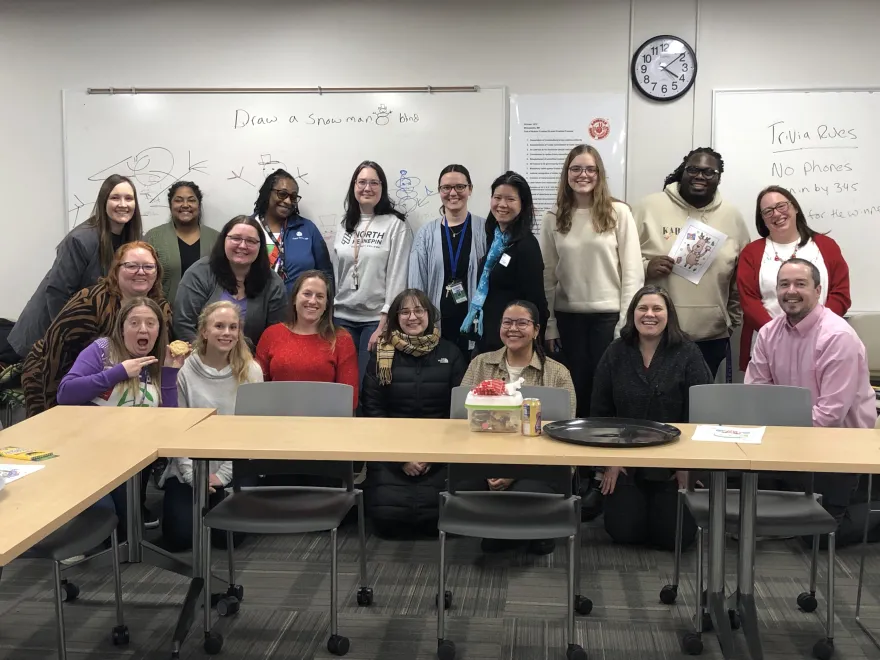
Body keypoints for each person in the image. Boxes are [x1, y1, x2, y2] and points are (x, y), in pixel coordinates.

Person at [745, 258, 876, 531]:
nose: (791, 291)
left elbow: (829, 416)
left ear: (818, 291)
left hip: (839, 448)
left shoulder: (838, 337)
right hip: (787, 443)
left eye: (800, 284)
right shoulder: (768, 334)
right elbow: (756, 396)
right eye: (784, 284)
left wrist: (781, 435)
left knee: (819, 533)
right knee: (754, 519)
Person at [56, 296, 186, 538]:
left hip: (132, 459)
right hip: (89, 456)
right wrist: (117, 373)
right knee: (103, 525)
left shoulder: (159, 360)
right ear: (122, 327)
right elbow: (65, 393)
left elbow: (168, 423)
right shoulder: (102, 350)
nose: (143, 329)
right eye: (134, 323)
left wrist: (169, 373)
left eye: (150, 323)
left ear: (159, 329)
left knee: (126, 534)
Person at [591, 285, 710, 551]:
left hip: (673, 463)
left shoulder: (688, 353)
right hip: (626, 461)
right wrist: (609, 461)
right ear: (632, 313)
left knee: (675, 537)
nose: (650, 315)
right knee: (624, 532)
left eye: (658, 308)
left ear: (669, 315)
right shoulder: (616, 352)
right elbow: (600, 412)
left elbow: (701, 415)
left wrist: (687, 467)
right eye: (642, 308)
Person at [460, 300, 575, 555]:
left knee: (523, 496)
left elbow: (564, 434)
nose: (513, 328)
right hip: (485, 462)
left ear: (536, 330)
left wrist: (515, 471)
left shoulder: (557, 374)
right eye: (507, 322)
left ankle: (523, 531)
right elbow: (461, 420)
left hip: (538, 468)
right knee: (461, 485)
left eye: (522, 323)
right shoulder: (480, 364)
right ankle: (521, 530)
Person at [540, 144, 643, 416]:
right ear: (567, 174)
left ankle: (603, 455)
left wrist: (625, 322)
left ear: (599, 174)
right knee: (574, 391)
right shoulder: (553, 217)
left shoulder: (618, 213)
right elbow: (547, 276)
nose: (582, 175)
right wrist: (550, 325)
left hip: (608, 319)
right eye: (575, 169)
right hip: (567, 320)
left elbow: (633, 273)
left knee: (607, 391)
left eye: (589, 169)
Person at [634, 148, 750, 378]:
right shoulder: (648, 207)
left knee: (698, 406)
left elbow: (742, 277)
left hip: (711, 336)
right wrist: (646, 266)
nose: (700, 176)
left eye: (709, 172)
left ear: (719, 177)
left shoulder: (732, 216)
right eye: (693, 169)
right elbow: (621, 262)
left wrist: (730, 321)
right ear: (682, 171)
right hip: (656, 334)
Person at [22, 241, 171, 418]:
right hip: (52, 376)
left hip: (123, 389)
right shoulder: (91, 301)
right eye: (132, 266)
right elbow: (57, 350)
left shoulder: (160, 307)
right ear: (116, 270)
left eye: (148, 266)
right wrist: (56, 410)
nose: (141, 272)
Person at [360, 289, 466, 537]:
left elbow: (459, 413)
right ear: (396, 318)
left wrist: (432, 456)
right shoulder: (381, 354)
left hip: (441, 450)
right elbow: (373, 410)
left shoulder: (450, 354)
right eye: (404, 311)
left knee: (441, 515)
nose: (412, 317)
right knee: (387, 518)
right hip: (391, 449)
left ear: (429, 314)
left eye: (419, 310)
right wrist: (402, 458)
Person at [159, 301, 262, 551]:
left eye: (233, 327)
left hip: (235, 466)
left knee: (226, 539)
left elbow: (252, 433)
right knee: (179, 538)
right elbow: (175, 429)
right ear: (204, 331)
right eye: (219, 326)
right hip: (190, 466)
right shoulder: (183, 370)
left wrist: (223, 475)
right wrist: (192, 475)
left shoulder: (251, 371)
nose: (226, 333)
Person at [8, 174, 143, 361]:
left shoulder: (132, 240)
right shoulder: (80, 239)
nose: (123, 204)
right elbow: (57, 293)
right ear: (103, 201)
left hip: (86, 333)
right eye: (115, 197)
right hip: (49, 333)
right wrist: (71, 340)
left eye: (129, 198)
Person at [736, 185, 850, 372]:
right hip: (768, 344)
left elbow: (841, 294)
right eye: (768, 211)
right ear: (762, 219)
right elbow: (749, 301)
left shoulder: (825, 246)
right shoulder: (752, 253)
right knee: (770, 400)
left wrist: (816, 330)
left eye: (782, 206)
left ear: (795, 207)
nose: (776, 214)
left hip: (821, 341)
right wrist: (778, 336)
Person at [333, 160, 412, 386]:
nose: (367, 188)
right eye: (362, 182)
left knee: (368, 385)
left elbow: (398, 275)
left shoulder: (395, 224)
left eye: (374, 183)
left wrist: (384, 323)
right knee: (344, 385)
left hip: (375, 320)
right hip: (342, 318)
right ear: (353, 186)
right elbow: (339, 271)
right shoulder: (344, 224)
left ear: (382, 188)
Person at [462, 171, 549, 355]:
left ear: (522, 204)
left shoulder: (526, 245)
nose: (502, 205)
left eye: (510, 199)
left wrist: (534, 343)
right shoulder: (495, 239)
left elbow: (536, 301)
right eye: (497, 197)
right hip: (488, 336)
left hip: (512, 343)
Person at [408, 165, 487, 357]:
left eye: (460, 187)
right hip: (436, 327)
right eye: (446, 188)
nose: (453, 193)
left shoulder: (485, 229)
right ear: (439, 191)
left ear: (470, 189)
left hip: (475, 328)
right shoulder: (426, 234)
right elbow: (416, 284)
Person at [174, 215, 286, 347]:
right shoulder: (198, 274)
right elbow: (183, 324)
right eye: (236, 238)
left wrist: (247, 362)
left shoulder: (273, 283)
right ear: (223, 240)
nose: (243, 245)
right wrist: (206, 358)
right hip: (201, 359)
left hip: (251, 362)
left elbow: (274, 335)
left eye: (251, 241)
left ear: (260, 247)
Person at [255, 270, 359, 409]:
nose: (312, 301)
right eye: (307, 294)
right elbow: (257, 388)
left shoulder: (341, 340)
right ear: (294, 298)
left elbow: (349, 398)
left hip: (325, 422)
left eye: (320, 296)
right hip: (277, 420)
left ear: (327, 304)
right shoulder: (271, 335)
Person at [251, 168, 333, 295]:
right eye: (282, 194)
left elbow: (326, 273)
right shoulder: (248, 227)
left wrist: (326, 307)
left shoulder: (307, 229)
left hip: (299, 310)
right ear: (268, 193)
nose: (288, 201)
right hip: (257, 308)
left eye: (293, 197)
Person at [145, 181, 219, 307]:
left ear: (199, 205)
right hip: (162, 316)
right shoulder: (153, 237)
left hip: (207, 318)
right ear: (170, 205)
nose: (185, 205)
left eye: (191, 200)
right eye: (178, 200)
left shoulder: (216, 239)